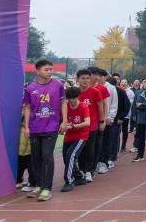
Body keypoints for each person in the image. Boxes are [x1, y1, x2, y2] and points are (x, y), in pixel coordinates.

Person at [22, 59, 65, 201]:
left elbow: (63, 103)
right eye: (46, 69)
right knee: (36, 158)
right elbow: (27, 107)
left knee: (47, 156)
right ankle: (39, 185)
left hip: (51, 127)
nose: (50, 72)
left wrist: (64, 121)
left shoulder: (58, 85)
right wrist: (27, 127)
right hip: (35, 127)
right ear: (38, 71)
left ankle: (47, 188)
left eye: (51, 69)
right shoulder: (30, 88)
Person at [72, 69, 107, 183]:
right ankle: (81, 169)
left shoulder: (95, 91)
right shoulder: (75, 92)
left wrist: (102, 121)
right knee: (80, 149)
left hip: (92, 125)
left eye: (87, 78)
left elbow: (100, 107)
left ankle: (89, 171)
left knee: (90, 148)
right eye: (83, 78)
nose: (86, 80)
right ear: (77, 79)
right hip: (78, 126)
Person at [60, 87, 91, 192]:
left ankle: (69, 181)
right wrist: (62, 126)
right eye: (69, 98)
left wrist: (73, 126)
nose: (71, 100)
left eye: (73, 98)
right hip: (69, 136)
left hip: (81, 136)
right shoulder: (65, 106)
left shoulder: (83, 106)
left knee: (71, 155)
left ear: (78, 97)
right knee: (66, 157)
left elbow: (87, 122)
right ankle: (79, 177)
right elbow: (63, 120)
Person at [131, 79, 146, 162]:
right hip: (141, 119)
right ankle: (140, 155)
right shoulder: (139, 93)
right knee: (140, 138)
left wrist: (143, 104)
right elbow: (137, 105)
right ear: (144, 85)